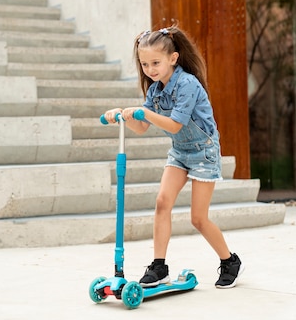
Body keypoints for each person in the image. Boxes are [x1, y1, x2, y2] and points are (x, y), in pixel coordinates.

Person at [104, 24, 244, 289]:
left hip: (203, 151)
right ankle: (159, 266)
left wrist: (141, 112)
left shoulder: (187, 84)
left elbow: (174, 125)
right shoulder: (156, 90)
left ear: (173, 58)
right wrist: (124, 115)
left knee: (198, 218)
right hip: (180, 152)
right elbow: (142, 127)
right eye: (145, 64)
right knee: (162, 202)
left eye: (155, 62)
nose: (150, 70)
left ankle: (230, 261)